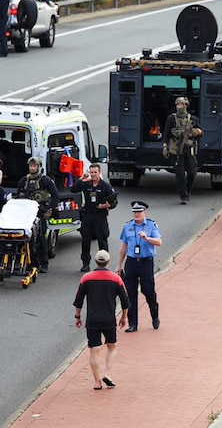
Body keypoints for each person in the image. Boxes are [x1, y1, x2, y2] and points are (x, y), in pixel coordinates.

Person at [73, 249, 130, 391]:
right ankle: (107, 374)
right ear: (108, 262)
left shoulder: (86, 278)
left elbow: (78, 300)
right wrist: (124, 316)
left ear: (95, 261)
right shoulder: (116, 279)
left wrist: (78, 317)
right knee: (111, 346)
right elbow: (125, 301)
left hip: (92, 320)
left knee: (94, 349)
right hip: (109, 319)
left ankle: (97, 382)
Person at [117, 201, 162, 332]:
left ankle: (155, 316)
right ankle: (133, 324)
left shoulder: (151, 225)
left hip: (146, 262)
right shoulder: (127, 226)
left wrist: (147, 238)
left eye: (139, 212)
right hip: (131, 262)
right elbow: (124, 246)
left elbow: (159, 242)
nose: (136, 214)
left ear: (144, 213)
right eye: (134, 212)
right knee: (130, 293)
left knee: (148, 291)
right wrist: (119, 265)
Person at [15, 156, 58, 273]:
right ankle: (30, 262)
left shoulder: (46, 181)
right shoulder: (24, 181)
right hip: (27, 214)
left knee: (40, 238)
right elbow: (17, 195)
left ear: (38, 167)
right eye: (30, 166)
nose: (32, 168)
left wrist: (50, 209)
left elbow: (55, 196)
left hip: (40, 212)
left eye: (34, 166)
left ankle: (44, 263)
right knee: (26, 238)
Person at [72, 163, 118, 272]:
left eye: (95, 172)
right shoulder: (86, 184)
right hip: (87, 216)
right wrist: (81, 178)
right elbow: (73, 189)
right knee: (85, 241)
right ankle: (85, 264)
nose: (93, 174)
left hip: (100, 216)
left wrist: (108, 206)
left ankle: (104, 264)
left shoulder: (105, 186)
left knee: (102, 240)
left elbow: (114, 201)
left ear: (99, 173)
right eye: (91, 172)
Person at [162, 96, 202, 205]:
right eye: (178, 105)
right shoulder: (171, 119)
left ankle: (187, 190)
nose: (179, 107)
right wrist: (165, 147)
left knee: (192, 172)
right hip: (176, 149)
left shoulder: (193, 119)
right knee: (179, 174)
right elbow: (166, 134)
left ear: (186, 106)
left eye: (181, 105)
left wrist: (195, 132)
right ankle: (183, 195)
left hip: (189, 149)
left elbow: (200, 133)